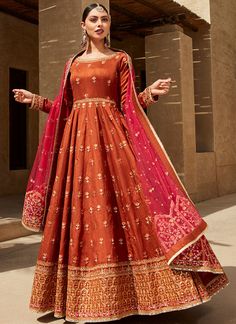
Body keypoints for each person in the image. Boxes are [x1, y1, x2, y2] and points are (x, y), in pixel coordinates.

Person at [13, 2, 228, 323]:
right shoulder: (72, 63)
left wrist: (150, 94)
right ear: (83, 26)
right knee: (80, 215)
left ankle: (140, 291)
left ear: (109, 25)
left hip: (113, 144)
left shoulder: (120, 59)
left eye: (104, 19)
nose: (100, 24)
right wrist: (36, 101)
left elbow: (128, 107)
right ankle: (77, 296)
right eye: (93, 19)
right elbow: (64, 109)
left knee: (127, 207)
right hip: (77, 149)